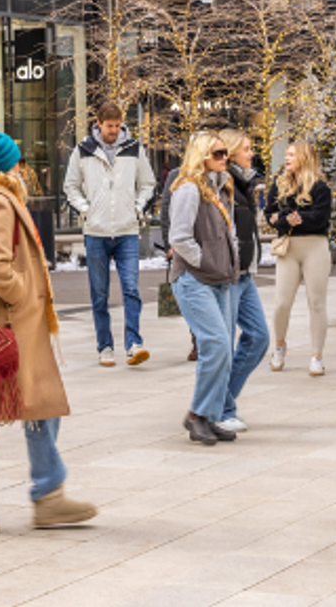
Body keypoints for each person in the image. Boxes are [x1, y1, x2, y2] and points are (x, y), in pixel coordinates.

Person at [0, 122, 97, 536]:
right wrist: (21, 293)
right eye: (18, 164)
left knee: (41, 408)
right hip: (2, 327)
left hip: (11, 326)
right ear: (5, 167)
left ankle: (49, 495)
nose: (23, 170)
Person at [62, 102, 157, 368]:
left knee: (131, 289)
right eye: (109, 126)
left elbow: (148, 183)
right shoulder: (83, 150)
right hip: (96, 232)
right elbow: (70, 186)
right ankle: (105, 346)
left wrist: (138, 208)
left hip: (127, 230)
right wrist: (85, 209)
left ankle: (134, 344)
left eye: (117, 126)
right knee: (99, 293)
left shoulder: (134, 149)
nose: (114, 131)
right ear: (99, 123)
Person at [167, 131, 242, 446]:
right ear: (201, 157)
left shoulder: (221, 188)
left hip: (221, 278)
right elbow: (179, 237)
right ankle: (197, 415)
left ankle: (209, 415)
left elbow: (229, 232)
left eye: (225, 153)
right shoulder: (188, 190)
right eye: (218, 154)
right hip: (194, 279)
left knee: (223, 349)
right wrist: (204, 261)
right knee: (214, 344)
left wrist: (227, 263)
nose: (224, 159)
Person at [216, 129, 271, 431]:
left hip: (245, 273)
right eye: (247, 149)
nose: (252, 154)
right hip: (229, 274)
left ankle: (222, 402)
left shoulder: (244, 182)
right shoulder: (225, 183)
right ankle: (220, 409)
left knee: (259, 337)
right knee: (222, 343)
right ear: (233, 151)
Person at [265, 140, 333, 376]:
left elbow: (320, 218)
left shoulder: (321, 187)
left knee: (317, 303)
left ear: (304, 157)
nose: (287, 158)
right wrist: (288, 217)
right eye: (286, 154)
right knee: (281, 303)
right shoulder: (280, 183)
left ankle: (317, 355)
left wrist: (290, 217)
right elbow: (269, 215)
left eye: (292, 154)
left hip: (315, 247)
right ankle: (279, 345)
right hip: (288, 248)